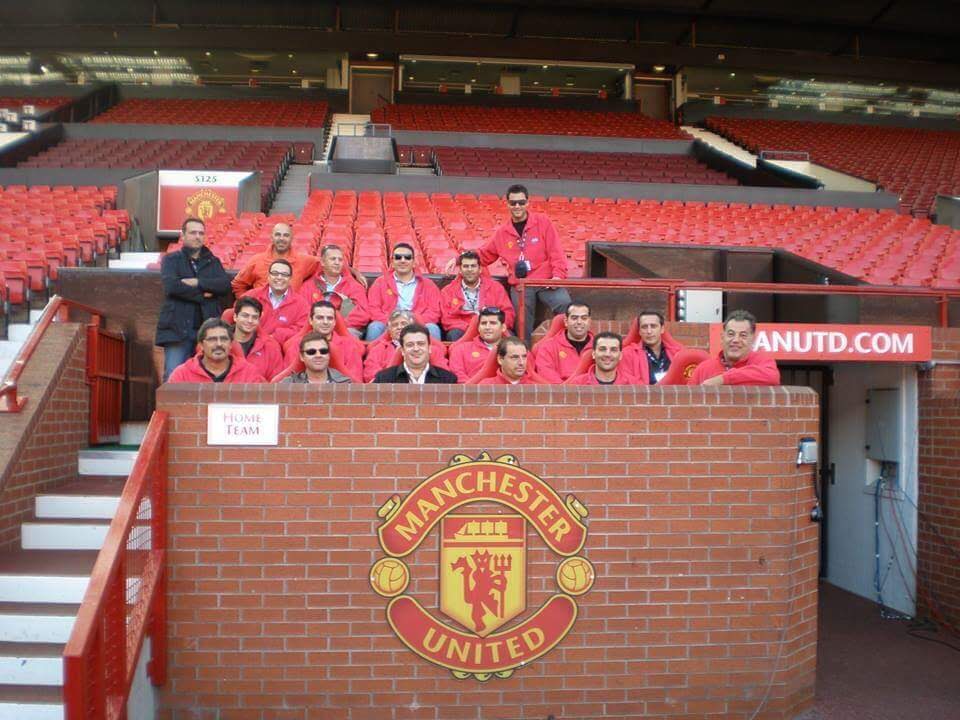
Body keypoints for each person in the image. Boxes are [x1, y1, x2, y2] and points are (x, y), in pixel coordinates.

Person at [447, 184, 569, 342]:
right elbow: (484, 254)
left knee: (566, 306)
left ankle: (563, 346)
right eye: (513, 203)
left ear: (527, 202)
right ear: (507, 204)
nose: (517, 206)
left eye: (521, 202)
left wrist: (558, 276)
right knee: (521, 326)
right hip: (520, 285)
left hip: (545, 280)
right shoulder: (502, 233)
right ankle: (524, 352)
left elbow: (556, 251)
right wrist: (459, 259)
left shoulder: (543, 222)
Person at [155, 217, 232, 381]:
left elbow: (224, 286)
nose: (197, 236)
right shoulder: (171, 259)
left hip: (207, 331)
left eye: (201, 233)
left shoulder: (213, 261)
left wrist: (198, 282)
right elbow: (172, 287)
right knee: (173, 376)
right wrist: (204, 294)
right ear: (183, 235)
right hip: (177, 328)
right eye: (193, 233)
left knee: (208, 378)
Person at [366, 243, 442, 341]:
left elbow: (434, 311)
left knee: (433, 328)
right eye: (398, 257)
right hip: (389, 322)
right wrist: (393, 322)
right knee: (374, 327)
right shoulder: (380, 283)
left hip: (417, 323)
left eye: (407, 257)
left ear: (413, 262)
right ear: (392, 262)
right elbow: (373, 309)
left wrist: (413, 321)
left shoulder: (429, 285)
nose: (403, 260)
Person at [690, 309, 780, 386]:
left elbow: (773, 377)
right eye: (731, 334)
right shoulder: (703, 369)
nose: (736, 340)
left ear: (752, 339)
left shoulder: (762, 362)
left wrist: (723, 379)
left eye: (743, 335)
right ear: (722, 337)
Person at [298, 244, 370, 339]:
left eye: (340, 260)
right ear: (322, 262)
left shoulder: (355, 286)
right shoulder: (308, 286)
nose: (337, 263)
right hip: (314, 329)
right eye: (333, 259)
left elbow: (363, 314)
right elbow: (301, 312)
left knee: (350, 336)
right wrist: (320, 325)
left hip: (347, 329)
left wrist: (337, 325)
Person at [440, 251, 514, 340]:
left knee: (509, 337)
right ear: (460, 270)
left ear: (480, 269)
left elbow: (508, 313)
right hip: (463, 329)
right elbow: (447, 319)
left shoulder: (496, 288)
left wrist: (493, 325)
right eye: (466, 266)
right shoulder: (447, 291)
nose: (469, 269)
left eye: (473, 266)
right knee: (454, 334)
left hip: (491, 326)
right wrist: (472, 328)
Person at [282, 300, 363, 382]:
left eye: (330, 318)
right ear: (310, 320)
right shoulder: (297, 345)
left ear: (335, 322)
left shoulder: (349, 345)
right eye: (320, 318)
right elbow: (288, 381)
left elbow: (355, 382)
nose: (325, 322)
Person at [230, 222, 318, 295]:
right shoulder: (256, 260)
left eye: (286, 235)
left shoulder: (304, 261)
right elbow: (238, 284)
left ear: (291, 238)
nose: (281, 238)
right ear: (271, 237)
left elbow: (324, 264)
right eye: (277, 235)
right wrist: (246, 304)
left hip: (291, 309)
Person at [167, 318, 265, 384]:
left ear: (231, 344)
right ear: (201, 345)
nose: (219, 344)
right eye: (212, 339)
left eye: (224, 339)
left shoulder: (248, 373)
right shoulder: (182, 374)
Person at [363, 309, 449, 382]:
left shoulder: (432, 350)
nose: (399, 327)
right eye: (395, 325)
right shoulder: (379, 349)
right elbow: (372, 379)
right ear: (389, 330)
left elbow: (445, 378)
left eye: (403, 323)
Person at [242, 259, 310, 346]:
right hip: (249, 346)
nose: (279, 277)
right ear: (268, 276)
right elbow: (238, 318)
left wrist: (277, 336)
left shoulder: (302, 304)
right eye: (275, 273)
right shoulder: (251, 295)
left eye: (284, 274)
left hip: (281, 349)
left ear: (290, 278)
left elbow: (302, 329)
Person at [373, 324, 458, 384]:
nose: (416, 349)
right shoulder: (383, 379)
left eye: (421, 344)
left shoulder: (448, 380)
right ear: (402, 350)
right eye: (410, 345)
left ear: (429, 348)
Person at [533, 302, 593, 384]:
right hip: (559, 390)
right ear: (566, 321)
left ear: (589, 321)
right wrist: (567, 390)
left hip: (592, 390)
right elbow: (546, 375)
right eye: (574, 318)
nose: (579, 322)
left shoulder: (600, 348)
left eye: (584, 318)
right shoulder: (548, 347)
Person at [620, 309, 685, 385]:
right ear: (639, 331)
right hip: (643, 392)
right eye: (644, 327)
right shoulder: (627, 354)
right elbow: (627, 380)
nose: (649, 331)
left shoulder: (677, 353)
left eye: (653, 326)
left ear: (662, 329)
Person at [448, 306, 508, 382]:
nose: (487, 327)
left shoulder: (515, 350)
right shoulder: (460, 349)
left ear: (503, 327)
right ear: (479, 328)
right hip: (472, 389)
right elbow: (458, 376)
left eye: (493, 323)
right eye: (483, 323)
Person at [230, 297, 284, 381]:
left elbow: (276, 383)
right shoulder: (221, 343)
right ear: (235, 317)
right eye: (245, 316)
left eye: (254, 317)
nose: (250, 320)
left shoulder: (270, 347)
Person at [280, 332, 352, 384]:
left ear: (329, 355)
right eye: (311, 352)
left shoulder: (345, 384)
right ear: (302, 357)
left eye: (323, 351)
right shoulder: (288, 384)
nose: (318, 355)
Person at [568, 332, 637, 385]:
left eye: (613, 350)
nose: (607, 354)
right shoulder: (578, 383)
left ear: (620, 355)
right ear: (593, 354)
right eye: (602, 349)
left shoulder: (633, 383)